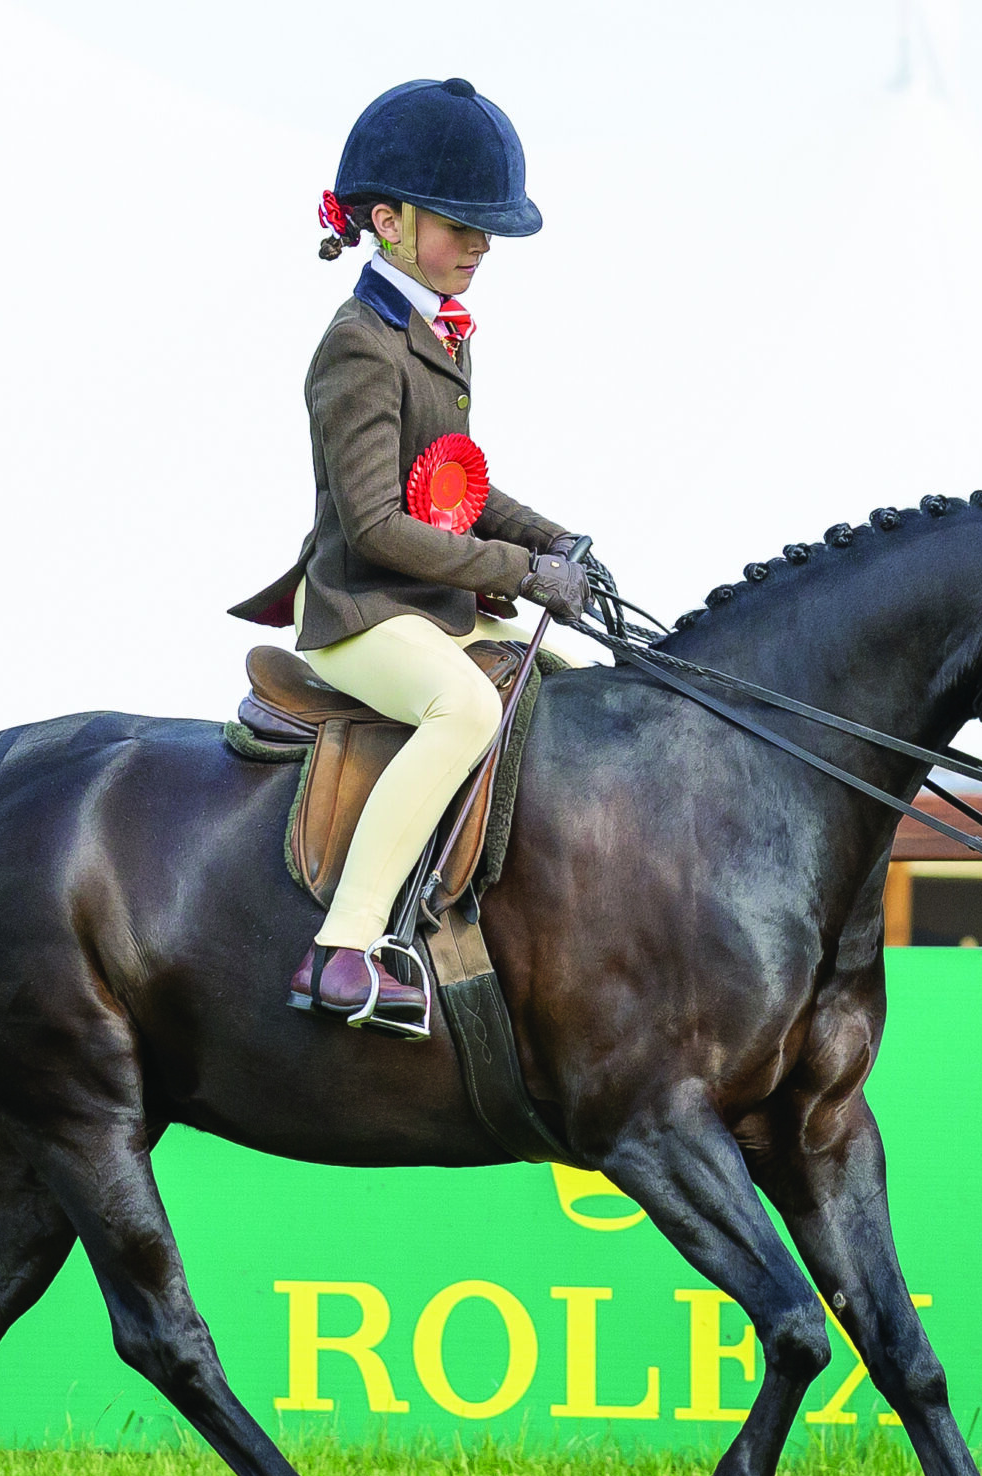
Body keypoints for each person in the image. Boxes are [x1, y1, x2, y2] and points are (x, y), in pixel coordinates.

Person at [230, 77, 590, 1029]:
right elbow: (380, 525)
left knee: (555, 685)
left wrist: (550, 537)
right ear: (387, 222)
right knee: (464, 705)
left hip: (425, 610)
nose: (480, 246)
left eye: (487, 231)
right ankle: (343, 948)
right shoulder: (359, 345)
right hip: (358, 613)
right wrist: (519, 573)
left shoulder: (437, 334)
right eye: (461, 226)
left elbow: (458, 479)